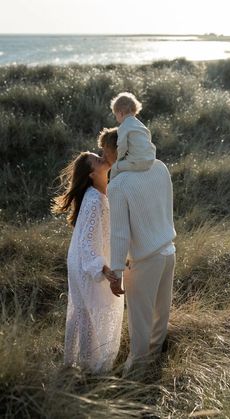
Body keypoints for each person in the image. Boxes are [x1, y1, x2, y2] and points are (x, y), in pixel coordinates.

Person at [98, 127, 176, 375]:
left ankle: (136, 374)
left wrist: (117, 272)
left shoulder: (119, 184)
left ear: (117, 150)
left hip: (143, 261)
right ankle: (153, 365)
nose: (103, 156)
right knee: (159, 315)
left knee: (140, 322)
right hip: (168, 250)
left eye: (104, 150)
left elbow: (120, 233)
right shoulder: (160, 166)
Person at [52, 151, 124, 373]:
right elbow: (87, 242)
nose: (103, 158)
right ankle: (90, 367)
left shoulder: (102, 194)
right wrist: (103, 268)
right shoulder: (94, 200)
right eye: (97, 159)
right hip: (86, 263)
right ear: (92, 173)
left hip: (84, 260)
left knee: (86, 310)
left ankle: (83, 364)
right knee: (91, 311)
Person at [110, 92, 156, 179]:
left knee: (115, 167)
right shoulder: (140, 125)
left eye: (116, 115)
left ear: (121, 113)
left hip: (137, 163)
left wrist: (119, 160)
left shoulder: (123, 126)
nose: (116, 118)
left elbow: (122, 146)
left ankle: (111, 189)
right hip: (150, 160)